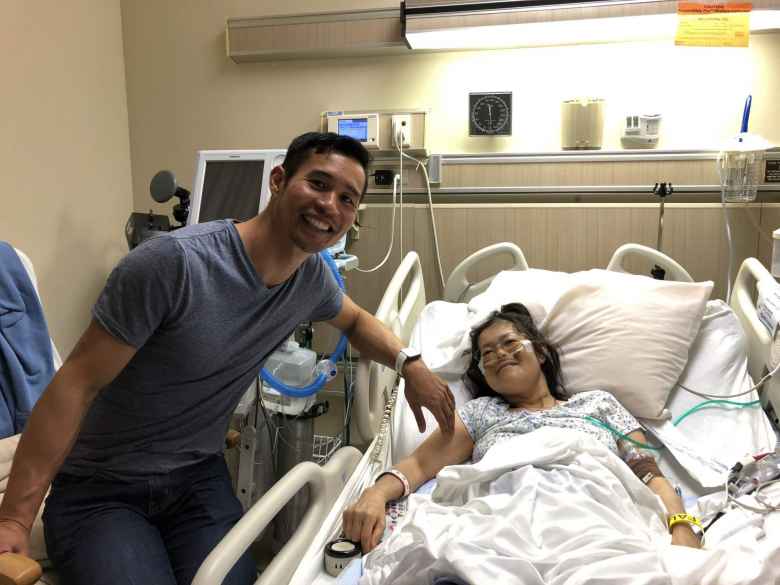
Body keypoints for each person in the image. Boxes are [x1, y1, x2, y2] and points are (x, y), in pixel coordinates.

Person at [0, 132, 455, 585]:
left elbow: (355, 322)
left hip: (196, 479)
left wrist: (408, 364)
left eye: (347, 199)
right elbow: (76, 384)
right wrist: (16, 521)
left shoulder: (310, 277)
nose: (330, 205)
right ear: (278, 180)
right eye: (318, 184)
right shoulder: (173, 264)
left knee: (231, 580)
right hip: (104, 487)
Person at [343, 302, 702, 554]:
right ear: (482, 373)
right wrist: (375, 495)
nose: (499, 354)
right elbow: (419, 466)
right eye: (487, 354)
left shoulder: (599, 404)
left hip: (596, 517)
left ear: (541, 353)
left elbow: (648, 474)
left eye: (510, 343)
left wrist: (681, 527)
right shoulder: (481, 413)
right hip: (503, 524)